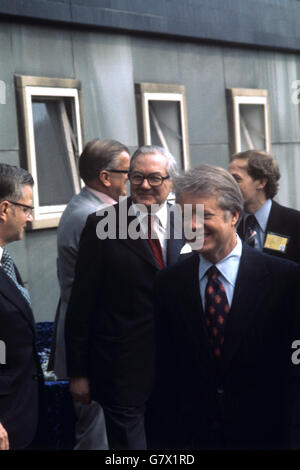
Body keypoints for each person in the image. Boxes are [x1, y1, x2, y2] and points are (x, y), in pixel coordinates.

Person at [149, 164, 300, 449]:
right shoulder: (168, 284)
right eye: (184, 216)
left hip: (267, 436)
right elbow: (164, 376)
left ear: (234, 216)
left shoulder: (286, 280)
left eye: (204, 215)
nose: (192, 226)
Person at [65, 145, 187, 450]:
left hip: (178, 366)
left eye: (155, 178)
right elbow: (81, 303)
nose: (145, 185)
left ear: (171, 182)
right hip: (122, 371)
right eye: (137, 177)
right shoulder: (102, 224)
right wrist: (79, 372)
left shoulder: (187, 221)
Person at [49, 139, 130, 449]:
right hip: (95, 341)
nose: (133, 179)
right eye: (127, 171)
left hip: (92, 337)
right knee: (98, 434)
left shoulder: (86, 206)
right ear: (106, 176)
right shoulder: (96, 217)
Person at [0, 164, 43, 450]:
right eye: (26, 209)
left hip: (21, 411)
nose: (29, 218)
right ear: (4, 209)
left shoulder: (6, 262)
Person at [228, 149, 300, 262]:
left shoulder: (294, 222)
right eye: (228, 179)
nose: (229, 185)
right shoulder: (228, 222)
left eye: (236, 179)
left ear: (261, 182)